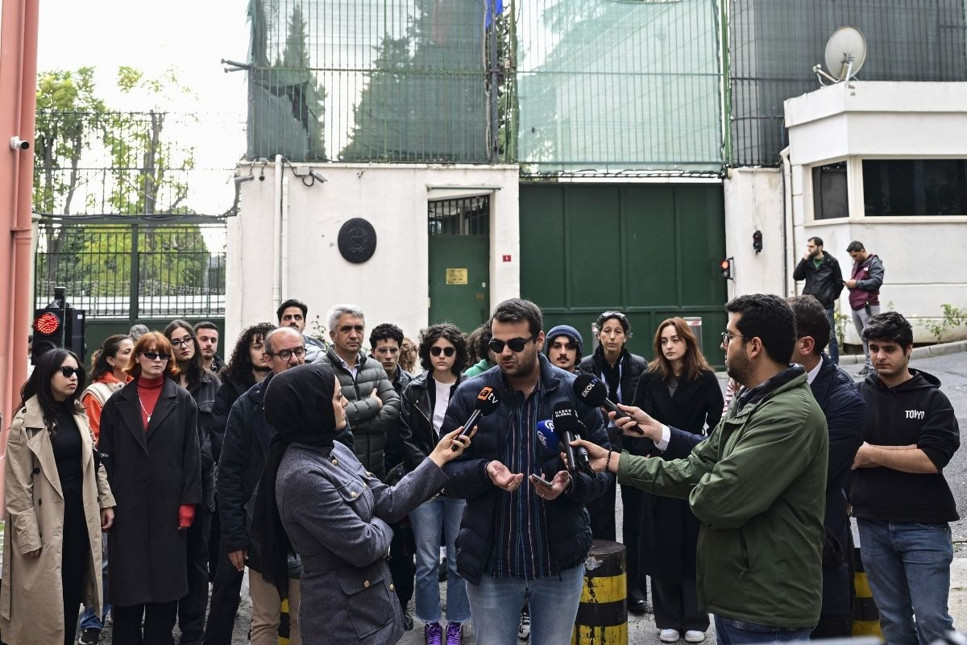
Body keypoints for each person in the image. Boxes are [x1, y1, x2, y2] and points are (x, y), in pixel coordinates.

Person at [575, 294, 829, 642]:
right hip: (738, 598)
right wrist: (613, 461)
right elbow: (696, 465)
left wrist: (699, 478)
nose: (724, 345)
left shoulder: (788, 415)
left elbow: (716, 497)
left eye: (729, 337)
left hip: (769, 605)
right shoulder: (752, 403)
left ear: (754, 346)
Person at [251, 363, 471, 645]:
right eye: (336, 397)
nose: (345, 403)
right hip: (343, 622)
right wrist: (382, 521)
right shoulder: (302, 475)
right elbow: (364, 545)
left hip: (371, 610)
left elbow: (388, 500)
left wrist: (437, 458)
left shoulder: (334, 449)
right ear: (311, 408)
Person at [443, 298, 613, 645]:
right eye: (496, 344)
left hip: (557, 562)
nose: (505, 352)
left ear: (539, 340)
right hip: (492, 563)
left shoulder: (573, 391)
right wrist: (484, 470)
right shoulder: (473, 394)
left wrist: (569, 483)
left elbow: (604, 470)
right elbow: (445, 473)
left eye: (515, 344)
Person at [849, 311, 960, 644]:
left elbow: (930, 460)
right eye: (874, 348)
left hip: (923, 527)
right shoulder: (856, 397)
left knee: (932, 622)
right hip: (872, 524)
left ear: (908, 350)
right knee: (893, 622)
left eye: (889, 349)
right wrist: (905, 451)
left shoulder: (933, 400)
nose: (880, 356)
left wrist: (872, 453)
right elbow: (847, 453)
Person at [206, 327, 319, 645]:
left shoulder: (320, 395)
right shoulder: (247, 405)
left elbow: (343, 449)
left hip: (308, 526)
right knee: (266, 620)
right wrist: (234, 537)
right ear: (268, 359)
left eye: (299, 351)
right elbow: (228, 474)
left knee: (303, 619)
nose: (296, 359)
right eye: (286, 354)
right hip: (262, 527)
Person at [0, 349, 116, 645]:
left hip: (79, 515)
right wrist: (27, 535)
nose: (74, 377)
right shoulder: (24, 422)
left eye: (77, 371)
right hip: (44, 522)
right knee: (43, 604)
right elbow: (17, 487)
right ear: (46, 374)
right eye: (66, 371)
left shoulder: (77, 414)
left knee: (71, 590)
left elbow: (93, 461)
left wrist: (106, 501)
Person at [98, 332, 203, 645]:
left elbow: (192, 456)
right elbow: (105, 458)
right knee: (127, 594)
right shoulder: (117, 402)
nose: (157, 360)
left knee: (163, 594)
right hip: (126, 508)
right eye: (150, 354)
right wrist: (107, 502)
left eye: (162, 355)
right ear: (138, 358)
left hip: (168, 510)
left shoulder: (182, 400)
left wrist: (188, 504)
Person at [632, 317, 723, 643]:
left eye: (675, 339)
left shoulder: (707, 379)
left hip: (693, 465)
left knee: (694, 544)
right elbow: (635, 421)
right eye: (664, 340)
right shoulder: (649, 377)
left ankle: (696, 618)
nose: (669, 346)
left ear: (688, 342)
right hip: (656, 468)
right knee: (660, 543)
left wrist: (707, 456)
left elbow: (717, 427)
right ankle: (667, 617)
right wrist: (643, 454)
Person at [787, 295, 865, 639]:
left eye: (778, 332)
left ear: (806, 344)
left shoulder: (843, 398)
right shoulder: (768, 385)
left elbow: (806, 474)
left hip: (820, 552)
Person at [399, 324, 472, 643]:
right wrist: (432, 466)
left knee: (458, 559)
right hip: (425, 485)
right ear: (427, 353)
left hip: (459, 485)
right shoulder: (414, 390)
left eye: (448, 351)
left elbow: (480, 437)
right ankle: (430, 621)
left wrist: (452, 468)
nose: (441, 356)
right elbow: (404, 437)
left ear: (458, 354)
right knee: (426, 560)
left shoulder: (471, 387)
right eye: (435, 350)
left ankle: (455, 622)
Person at [578, 310, 647, 611]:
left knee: (635, 516)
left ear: (626, 336)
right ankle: (603, 579)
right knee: (600, 512)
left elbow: (644, 404)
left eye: (618, 331)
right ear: (598, 333)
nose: (612, 336)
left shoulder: (638, 366)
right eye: (607, 330)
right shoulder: (586, 367)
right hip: (599, 444)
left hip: (631, 444)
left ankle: (635, 589)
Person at [165, 319, 221, 644]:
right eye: (176, 341)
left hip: (201, 482)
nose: (184, 345)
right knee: (166, 555)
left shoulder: (213, 383)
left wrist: (196, 459)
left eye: (188, 339)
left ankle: (192, 631)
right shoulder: (160, 381)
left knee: (197, 559)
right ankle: (162, 626)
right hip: (165, 484)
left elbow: (217, 433)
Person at [77, 334, 134, 644]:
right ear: (112, 359)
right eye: (127, 352)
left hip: (133, 487)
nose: (134, 355)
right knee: (104, 557)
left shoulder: (137, 388)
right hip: (108, 485)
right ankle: (93, 620)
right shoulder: (96, 393)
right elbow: (95, 444)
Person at [369, 322, 417, 630]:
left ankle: (401, 606)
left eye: (393, 350)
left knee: (402, 547)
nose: (388, 356)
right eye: (382, 350)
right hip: (369, 471)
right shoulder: (364, 382)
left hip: (401, 475)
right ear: (372, 352)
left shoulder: (411, 386)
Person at [319, 304, 401, 478]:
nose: (354, 335)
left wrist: (356, 424)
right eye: (346, 329)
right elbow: (326, 415)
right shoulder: (319, 371)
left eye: (359, 328)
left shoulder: (375, 366)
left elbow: (394, 405)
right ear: (332, 335)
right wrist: (374, 403)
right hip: (338, 469)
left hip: (376, 469)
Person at [793, 236, 844, 363]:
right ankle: (815, 362)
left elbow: (839, 283)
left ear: (820, 247)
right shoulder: (808, 261)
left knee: (831, 335)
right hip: (809, 304)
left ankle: (834, 364)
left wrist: (831, 296)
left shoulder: (831, 262)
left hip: (826, 304)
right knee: (809, 334)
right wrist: (804, 260)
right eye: (808, 246)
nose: (808, 249)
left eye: (811, 246)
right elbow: (797, 276)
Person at [845, 241, 885, 376]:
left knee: (871, 337)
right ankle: (869, 366)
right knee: (864, 337)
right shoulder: (858, 263)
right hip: (856, 305)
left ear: (862, 250)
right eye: (852, 256)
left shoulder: (874, 263)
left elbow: (877, 281)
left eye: (855, 255)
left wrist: (856, 283)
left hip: (868, 305)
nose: (854, 259)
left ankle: (873, 368)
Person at [277, 298, 327, 362]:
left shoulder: (318, 357)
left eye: (297, 317)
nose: (293, 321)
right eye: (287, 318)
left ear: (304, 323)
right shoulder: (271, 352)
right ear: (279, 324)